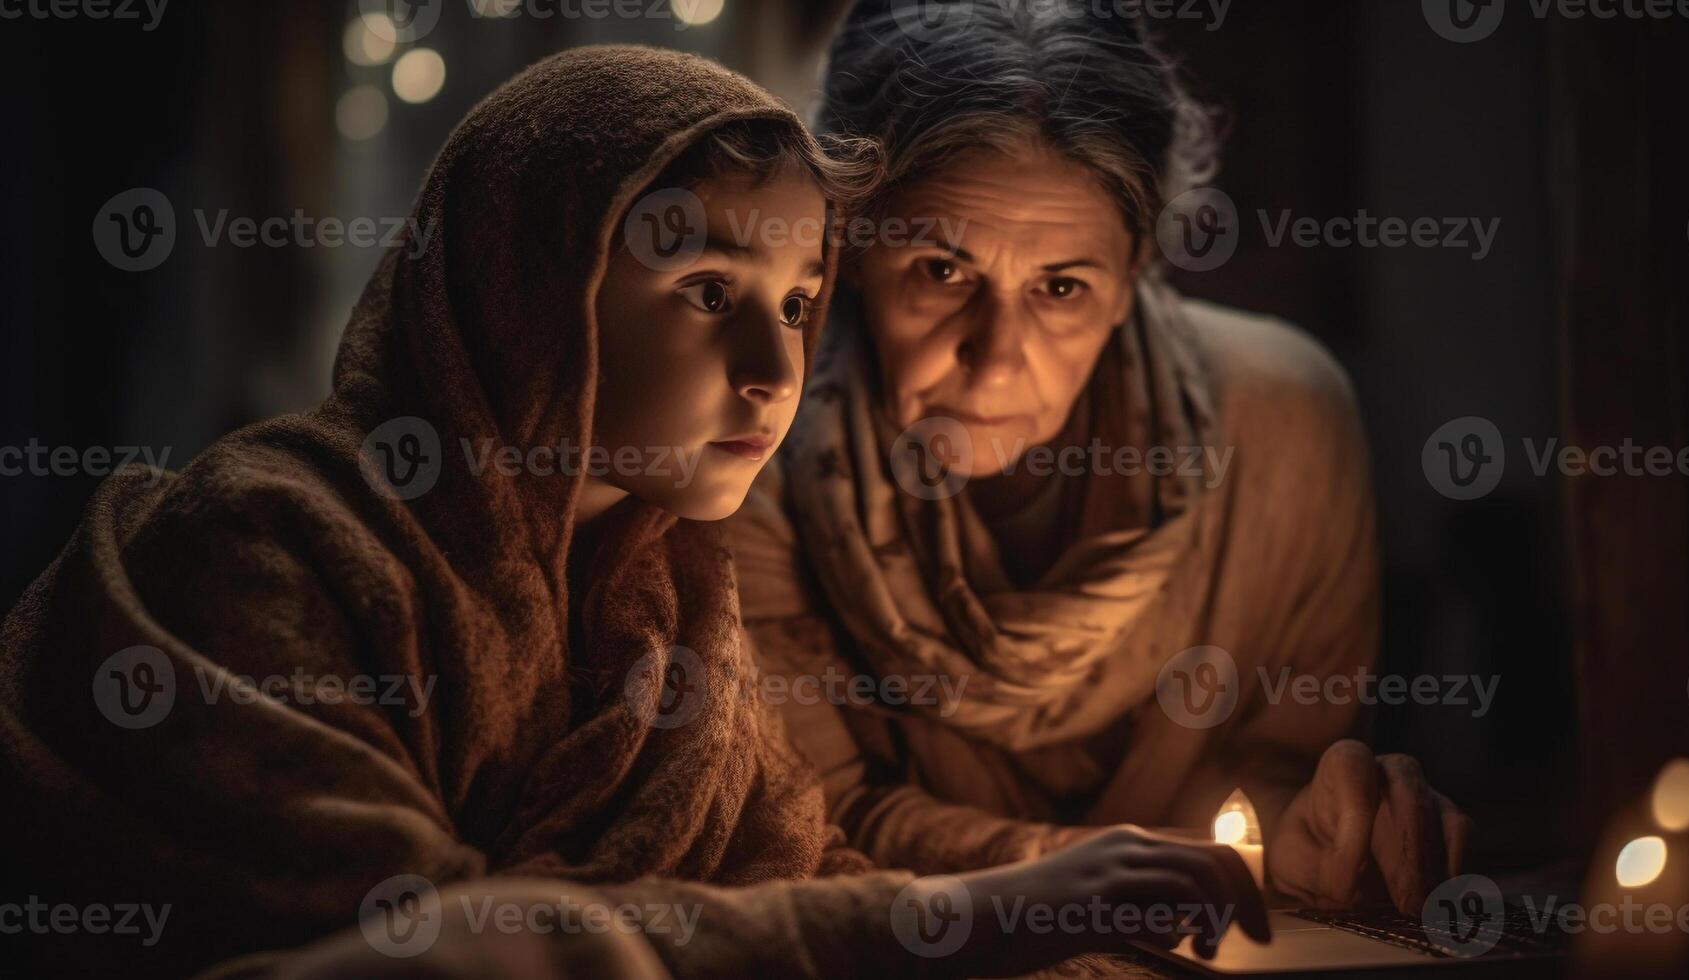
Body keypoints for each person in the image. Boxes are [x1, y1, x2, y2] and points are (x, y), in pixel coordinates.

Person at [0, 45, 1267, 979]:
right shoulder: (268, 540)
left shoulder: (666, 605)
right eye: (708, 289)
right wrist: (979, 917)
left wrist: (1058, 902)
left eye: (793, 300)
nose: (773, 372)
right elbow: (439, 943)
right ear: (528, 291)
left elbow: (801, 883)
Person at [732, 0, 1469, 921]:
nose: (997, 357)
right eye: (941, 271)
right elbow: (809, 823)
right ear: (846, 253)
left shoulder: (1284, 425)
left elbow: (1261, 784)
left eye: (1062, 287)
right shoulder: (753, 447)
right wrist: (1087, 872)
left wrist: (1317, 833)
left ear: (1132, 280)